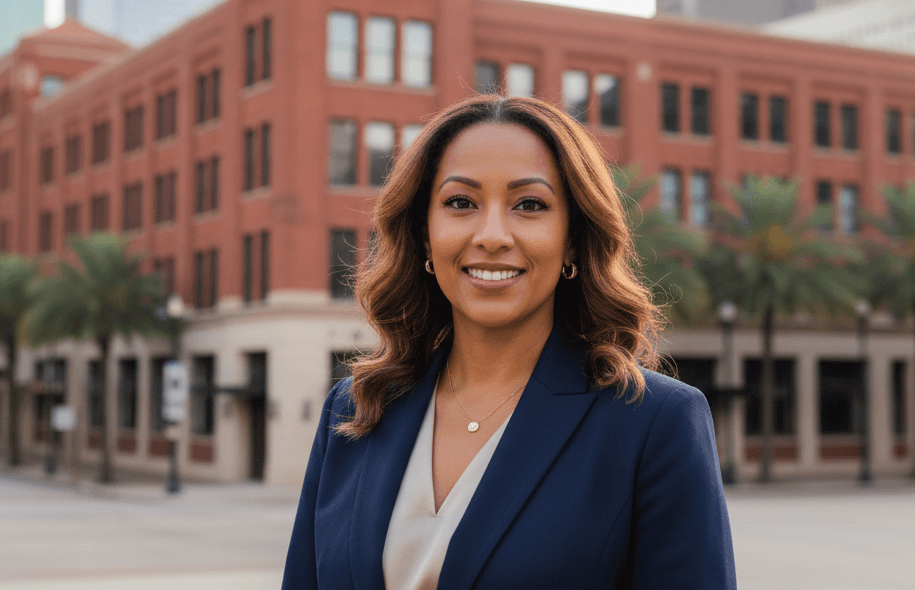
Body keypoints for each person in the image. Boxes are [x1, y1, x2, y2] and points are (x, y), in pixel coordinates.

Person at [281, 94, 736, 589]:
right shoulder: (353, 412)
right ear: (425, 237)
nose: (492, 235)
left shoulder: (653, 423)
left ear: (574, 240)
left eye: (529, 205)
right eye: (460, 203)